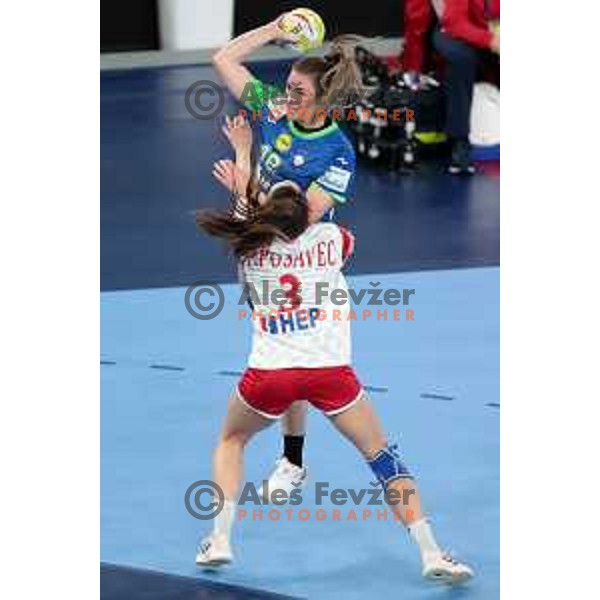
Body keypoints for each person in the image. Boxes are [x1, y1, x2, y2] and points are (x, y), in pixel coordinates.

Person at [193, 118, 474, 584]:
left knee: (231, 440)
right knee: (382, 457)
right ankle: (432, 552)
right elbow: (313, 224)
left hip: (269, 376)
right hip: (331, 375)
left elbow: (252, 219)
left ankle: (220, 538)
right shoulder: (332, 240)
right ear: (307, 214)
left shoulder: (247, 246)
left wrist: (243, 160)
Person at [211, 13, 362, 497]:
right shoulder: (276, 110)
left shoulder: (337, 152)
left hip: (304, 262)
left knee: (298, 353)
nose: (285, 96)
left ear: (322, 99)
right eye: (287, 86)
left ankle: (293, 459)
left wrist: (244, 173)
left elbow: (295, 223)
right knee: (283, 354)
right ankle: (293, 461)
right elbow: (225, 58)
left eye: (298, 91)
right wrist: (274, 29)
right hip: (261, 249)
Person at [432, 0, 500, 174]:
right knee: (460, 58)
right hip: (460, 34)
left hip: (494, 37)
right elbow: (455, 23)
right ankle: (459, 140)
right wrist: (490, 40)